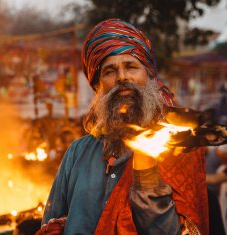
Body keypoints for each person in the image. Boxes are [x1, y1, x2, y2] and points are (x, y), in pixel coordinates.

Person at [37, 19, 208, 235]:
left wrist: (146, 171)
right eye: (110, 71)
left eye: (131, 66)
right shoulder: (78, 152)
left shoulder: (177, 148)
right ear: (98, 86)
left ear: (149, 76)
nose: (122, 77)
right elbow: (51, 224)